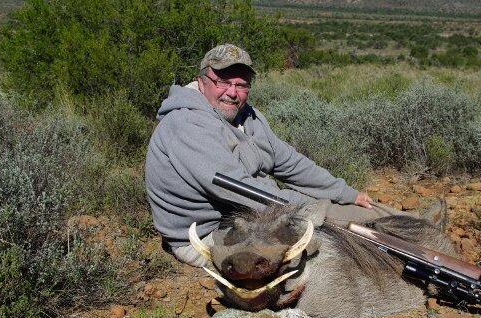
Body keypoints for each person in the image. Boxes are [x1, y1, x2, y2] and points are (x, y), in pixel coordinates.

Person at [145, 43, 404, 267]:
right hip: (206, 235)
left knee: (361, 212)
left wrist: (345, 193)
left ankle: (410, 229)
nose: (232, 93)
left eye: (241, 84)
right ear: (202, 82)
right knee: (325, 242)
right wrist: (314, 208)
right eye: (222, 81)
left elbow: (288, 162)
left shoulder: (248, 116)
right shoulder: (186, 123)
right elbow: (238, 189)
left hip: (246, 213)